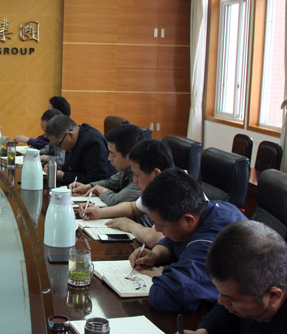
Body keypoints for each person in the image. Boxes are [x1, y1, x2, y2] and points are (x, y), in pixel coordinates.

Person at [129, 167, 246, 314]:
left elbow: (166, 298)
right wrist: (157, 254)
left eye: (161, 225)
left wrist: (166, 272)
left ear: (188, 220)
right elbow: (179, 238)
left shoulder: (211, 244)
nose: (157, 230)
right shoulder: (212, 209)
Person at [81, 138, 174, 244]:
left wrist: (129, 225)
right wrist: (100, 212)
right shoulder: (159, 186)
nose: (134, 180)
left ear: (156, 174)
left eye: (137, 175)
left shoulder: (175, 191)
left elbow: (155, 238)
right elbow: (133, 208)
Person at [71, 123, 145, 206]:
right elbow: (110, 183)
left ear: (129, 156)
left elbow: (115, 201)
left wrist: (101, 190)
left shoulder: (143, 175)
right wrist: (89, 186)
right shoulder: (126, 168)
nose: (109, 158)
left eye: (113, 154)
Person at [44, 114, 112, 185]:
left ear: (70, 135)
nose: (59, 148)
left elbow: (96, 178)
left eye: (59, 144)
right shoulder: (72, 141)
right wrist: (59, 168)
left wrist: (63, 176)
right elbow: (74, 167)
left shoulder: (93, 142)